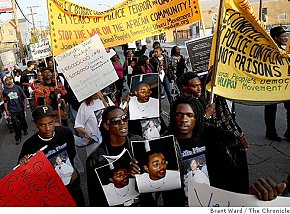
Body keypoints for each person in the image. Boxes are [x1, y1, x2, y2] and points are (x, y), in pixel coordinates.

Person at [18, 105, 85, 206]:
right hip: (51, 189)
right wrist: (23, 163)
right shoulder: (29, 145)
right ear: (36, 124)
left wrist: (74, 169)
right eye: (42, 125)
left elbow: (72, 153)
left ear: (54, 121)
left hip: (72, 182)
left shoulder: (66, 132)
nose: (48, 128)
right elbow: (22, 170)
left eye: (50, 123)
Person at [86, 106, 143, 206]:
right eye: (115, 121)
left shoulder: (139, 142)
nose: (122, 123)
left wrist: (140, 171)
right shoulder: (95, 159)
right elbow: (95, 197)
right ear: (106, 126)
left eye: (124, 118)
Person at [180, 72, 249, 150]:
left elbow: (225, 119)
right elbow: (192, 130)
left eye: (200, 85)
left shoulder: (203, 98)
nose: (199, 88)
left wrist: (238, 134)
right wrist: (206, 115)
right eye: (195, 86)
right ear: (184, 87)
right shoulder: (182, 106)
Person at [264, 26, 289, 142]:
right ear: (275, 38)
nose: (285, 38)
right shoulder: (269, 51)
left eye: (285, 35)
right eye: (283, 36)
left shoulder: (285, 50)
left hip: (285, 84)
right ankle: (271, 132)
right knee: (271, 108)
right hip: (272, 85)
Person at [74, 92, 114, 157]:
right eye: (94, 93)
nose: (96, 94)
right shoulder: (84, 106)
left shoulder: (106, 99)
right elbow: (78, 126)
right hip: (95, 146)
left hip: (109, 141)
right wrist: (86, 132)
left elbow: (115, 113)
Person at [2, 76, 28, 144]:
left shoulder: (18, 87)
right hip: (12, 110)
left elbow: (24, 98)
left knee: (23, 121)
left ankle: (25, 129)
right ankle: (18, 137)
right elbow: (5, 102)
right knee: (15, 125)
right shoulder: (5, 91)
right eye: (7, 80)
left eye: (10, 79)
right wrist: (7, 110)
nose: (9, 81)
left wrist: (25, 107)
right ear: (5, 82)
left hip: (20, 108)